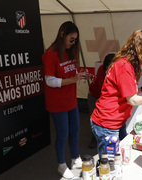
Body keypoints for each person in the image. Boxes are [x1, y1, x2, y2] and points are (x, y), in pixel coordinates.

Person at [90, 29, 142, 158]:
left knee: (117, 157)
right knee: (109, 164)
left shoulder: (124, 64)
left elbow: (125, 93)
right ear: (141, 51)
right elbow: (132, 100)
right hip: (107, 123)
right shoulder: (124, 66)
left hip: (112, 122)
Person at [42, 21, 89, 179]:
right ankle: (61, 165)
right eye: (71, 39)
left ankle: (75, 158)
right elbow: (50, 81)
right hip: (57, 103)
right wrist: (72, 79)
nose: (73, 42)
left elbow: (72, 72)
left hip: (71, 100)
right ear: (62, 34)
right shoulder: (50, 54)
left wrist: (81, 75)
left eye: (76, 39)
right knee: (62, 134)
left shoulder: (70, 52)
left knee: (75, 130)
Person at [87, 53, 115, 148]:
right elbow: (101, 91)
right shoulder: (101, 71)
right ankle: (94, 138)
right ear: (106, 66)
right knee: (95, 118)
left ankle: (106, 139)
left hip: (105, 98)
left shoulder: (117, 70)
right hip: (94, 96)